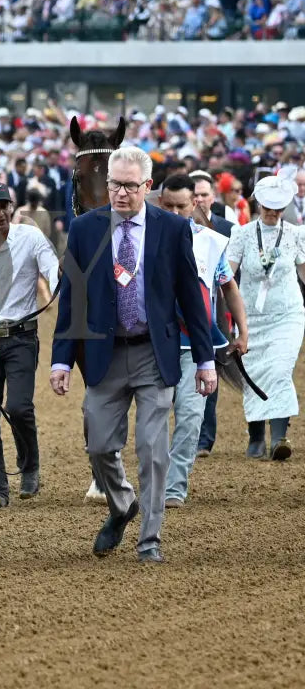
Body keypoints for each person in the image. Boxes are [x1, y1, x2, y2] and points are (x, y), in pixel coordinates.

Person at [51, 146, 215, 564]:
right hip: (104, 353)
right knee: (100, 446)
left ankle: (150, 539)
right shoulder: (85, 230)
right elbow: (73, 298)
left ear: (147, 186)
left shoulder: (173, 229)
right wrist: (61, 360)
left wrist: (205, 359)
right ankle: (123, 502)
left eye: (128, 185)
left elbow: (191, 300)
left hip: (152, 352)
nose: (120, 193)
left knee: (152, 447)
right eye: (113, 185)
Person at [0, 182, 60, 507]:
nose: (1, 212)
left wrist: (62, 282)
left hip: (21, 336)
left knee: (20, 407)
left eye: (5, 205)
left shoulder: (31, 237)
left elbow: (51, 268)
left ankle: (29, 463)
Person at [157, 174, 248, 508]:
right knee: (151, 420)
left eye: (182, 205)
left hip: (197, 349)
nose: (176, 211)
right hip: (153, 346)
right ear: (160, 203)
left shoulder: (210, 243)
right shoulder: (142, 240)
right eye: (169, 206)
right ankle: (155, 480)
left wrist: (242, 331)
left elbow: (228, 288)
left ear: (194, 203)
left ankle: (174, 488)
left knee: (190, 418)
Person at [224, 175, 305, 461]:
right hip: (251, 317)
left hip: (287, 314)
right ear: (258, 204)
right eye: (268, 207)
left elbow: (304, 272)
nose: (272, 213)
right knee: (254, 371)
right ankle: (256, 436)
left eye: (279, 208)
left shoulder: (296, 235)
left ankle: (280, 437)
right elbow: (227, 274)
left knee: (280, 369)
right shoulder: (242, 235)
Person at [190, 171, 235, 456]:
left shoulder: (228, 230)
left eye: (204, 194)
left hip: (218, 315)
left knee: (212, 375)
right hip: (182, 316)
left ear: (213, 197)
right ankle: (191, 431)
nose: (199, 199)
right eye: (194, 195)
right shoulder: (174, 227)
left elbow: (233, 282)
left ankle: (205, 439)